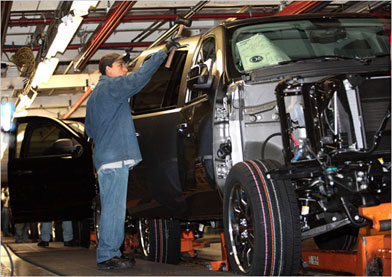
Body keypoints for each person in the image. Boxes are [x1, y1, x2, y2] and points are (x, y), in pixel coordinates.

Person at [85, 39, 179, 270]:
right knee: (114, 209)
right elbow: (139, 79)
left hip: (106, 158)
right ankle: (107, 256)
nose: (125, 70)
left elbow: (89, 130)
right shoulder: (111, 87)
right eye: (121, 66)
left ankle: (110, 253)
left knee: (112, 208)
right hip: (114, 158)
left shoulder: (97, 95)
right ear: (108, 70)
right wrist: (162, 52)